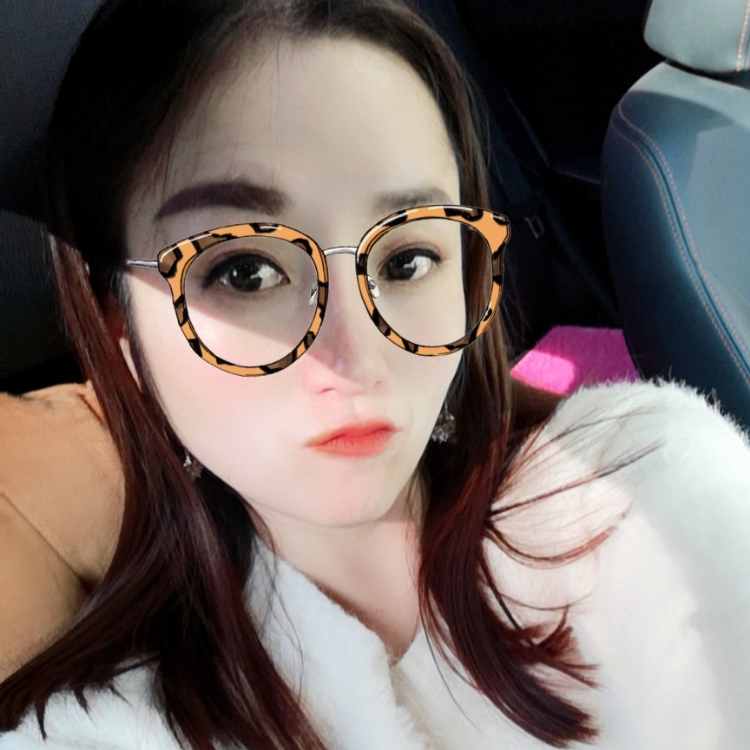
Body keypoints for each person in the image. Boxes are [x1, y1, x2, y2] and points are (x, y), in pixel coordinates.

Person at [1, 0, 749, 748]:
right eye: (246, 271)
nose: (354, 356)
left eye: (408, 259)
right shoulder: (100, 729)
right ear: (122, 336)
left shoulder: (649, 492)